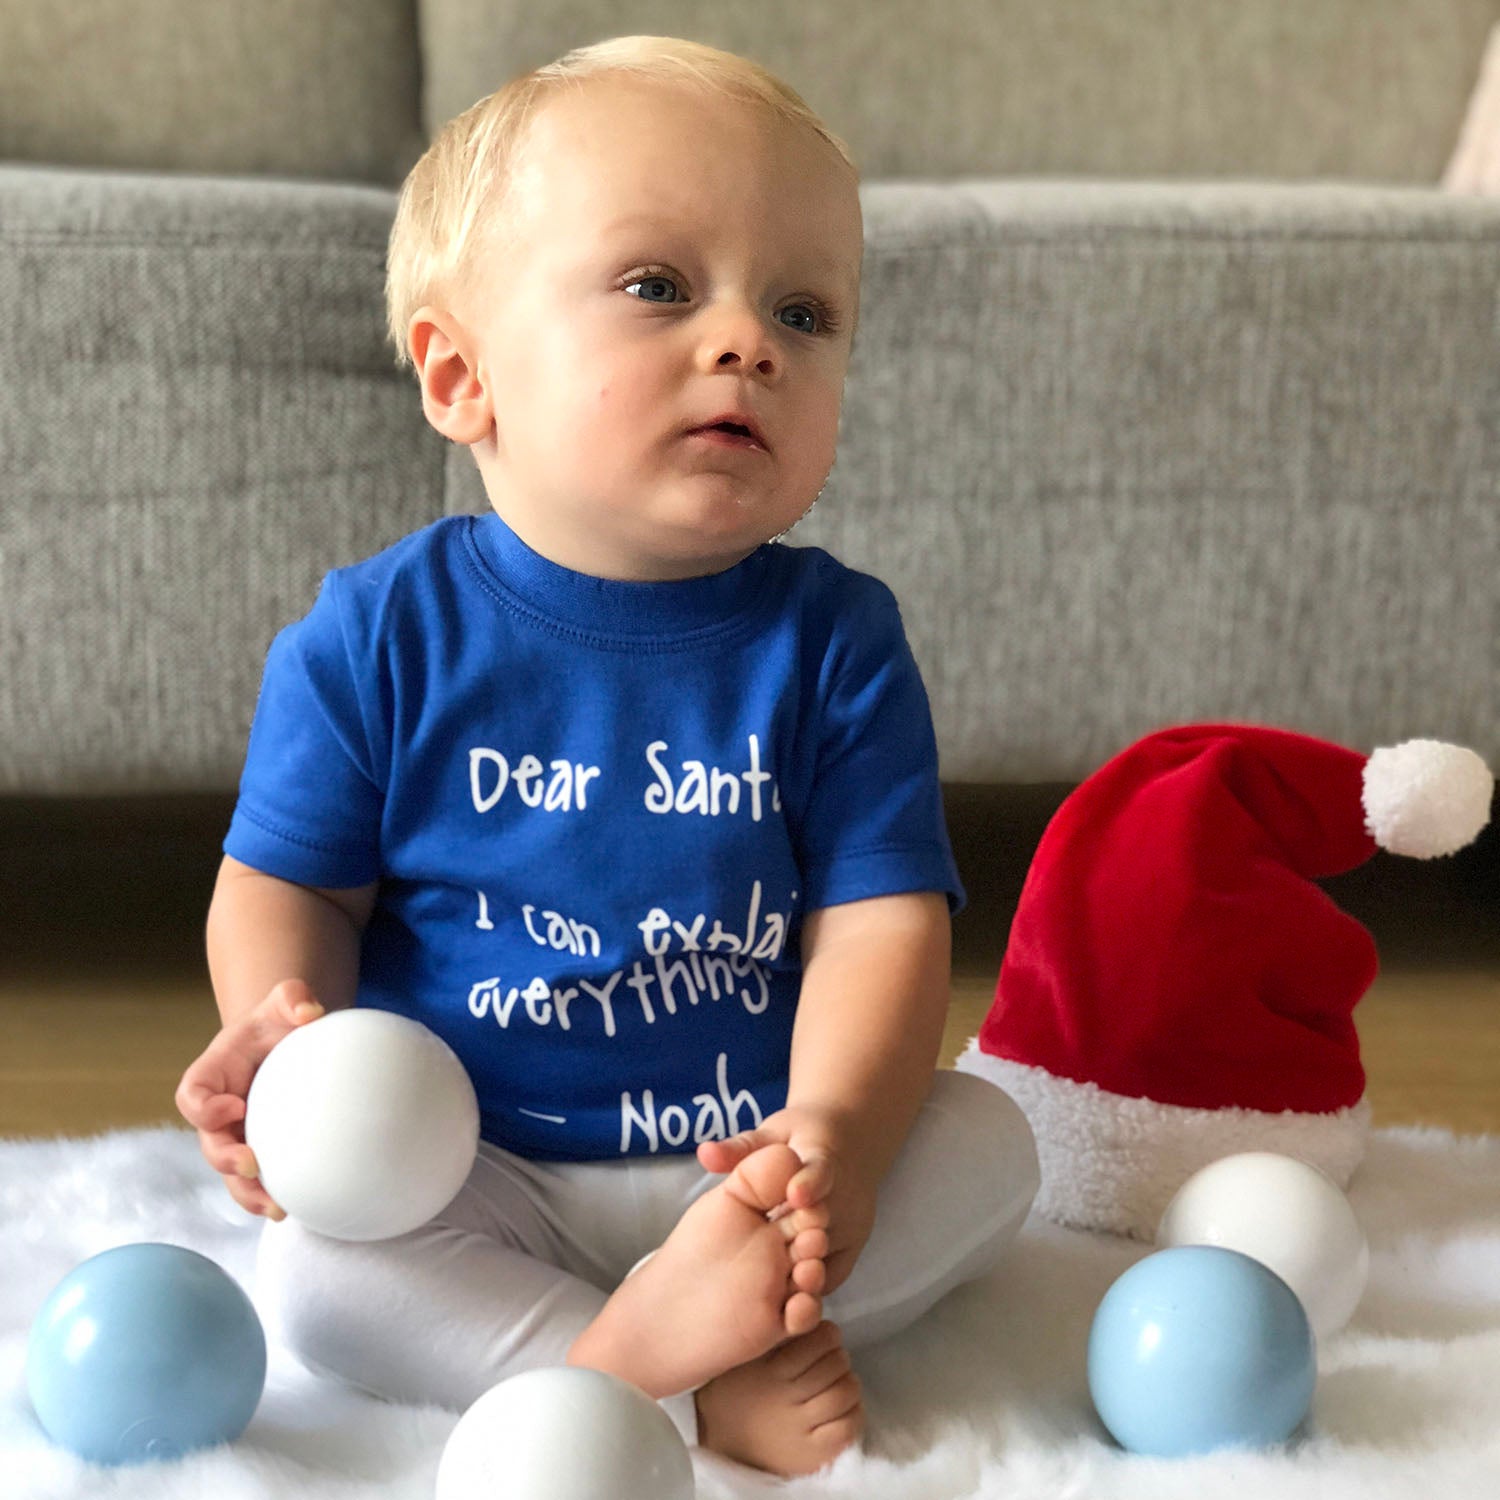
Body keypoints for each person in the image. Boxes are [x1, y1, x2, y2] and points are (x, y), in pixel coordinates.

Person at [175, 34, 1038, 1479]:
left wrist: (827, 1140)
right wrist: (286, 1036)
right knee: (327, 1277)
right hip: (473, 1170)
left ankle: (649, 1339)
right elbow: (290, 890)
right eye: (658, 286)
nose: (748, 340)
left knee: (992, 1149)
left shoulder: (836, 641)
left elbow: (878, 928)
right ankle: (666, 1377)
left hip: (743, 1171)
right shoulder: (379, 634)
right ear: (462, 376)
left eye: (807, 310)